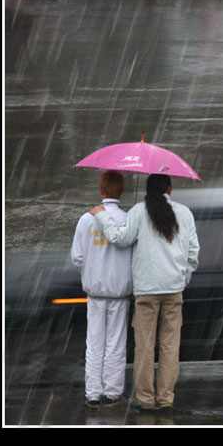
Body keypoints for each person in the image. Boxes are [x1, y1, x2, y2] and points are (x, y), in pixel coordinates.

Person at [89, 173, 199, 413]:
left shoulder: (139, 211)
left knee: (145, 347)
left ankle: (146, 400)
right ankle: (166, 398)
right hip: (174, 290)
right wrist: (182, 278)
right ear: (169, 190)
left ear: (148, 190)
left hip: (146, 291)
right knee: (170, 346)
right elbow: (193, 254)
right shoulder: (185, 213)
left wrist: (102, 217)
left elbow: (120, 239)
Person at [71, 170, 133, 410]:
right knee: (115, 344)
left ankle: (93, 393)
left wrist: (91, 272)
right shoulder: (128, 219)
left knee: (94, 344)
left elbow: (77, 257)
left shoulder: (86, 220)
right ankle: (112, 392)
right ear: (123, 191)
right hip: (119, 293)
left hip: (95, 292)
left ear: (101, 190)